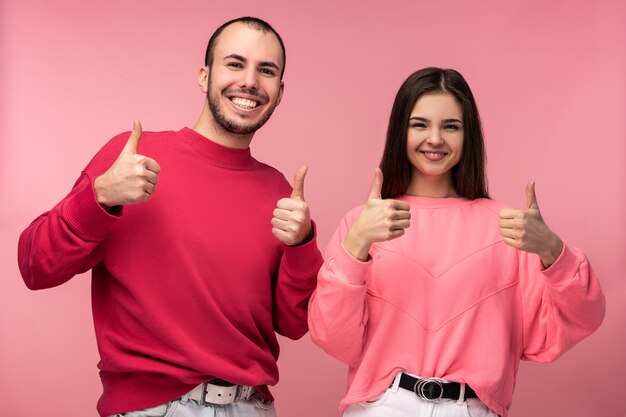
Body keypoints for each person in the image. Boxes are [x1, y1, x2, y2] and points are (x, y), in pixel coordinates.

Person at [18, 16, 323, 417]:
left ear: (280, 91)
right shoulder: (133, 160)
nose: (250, 81)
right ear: (204, 76)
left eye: (266, 70)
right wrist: (100, 197)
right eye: (234, 64)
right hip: (154, 408)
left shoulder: (279, 191)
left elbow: (294, 324)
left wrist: (302, 245)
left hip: (251, 406)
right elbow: (35, 267)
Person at [307, 67, 605, 417]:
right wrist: (356, 243)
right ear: (399, 131)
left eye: (451, 126)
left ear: (469, 136)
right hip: (381, 405)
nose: (435, 139)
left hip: (470, 407)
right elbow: (332, 337)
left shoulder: (509, 228)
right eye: (419, 124)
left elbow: (583, 317)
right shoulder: (364, 223)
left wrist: (552, 250)